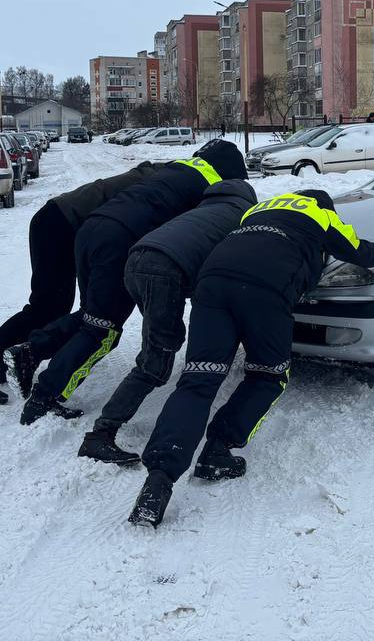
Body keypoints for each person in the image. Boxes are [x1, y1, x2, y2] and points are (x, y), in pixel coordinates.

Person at [127, 189, 374, 529]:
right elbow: (361, 252)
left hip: (212, 285)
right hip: (265, 291)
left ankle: (157, 482)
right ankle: (217, 450)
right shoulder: (321, 214)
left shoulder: (257, 211)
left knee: (198, 380)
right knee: (267, 375)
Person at [18, 140, 248, 424]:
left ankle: (33, 349)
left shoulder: (176, 168)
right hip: (120, 240)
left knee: (92, 316)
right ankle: (45, 395)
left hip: (91, 228)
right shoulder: (210, 188)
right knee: (103, 330)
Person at [0, 157, 169, 404]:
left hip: (58, 219)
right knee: (47, 307)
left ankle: (2, 360)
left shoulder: (155, 174)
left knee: (52, 307)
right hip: (61, 225)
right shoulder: (162, 185)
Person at [77, 177, 258, 464]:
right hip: (164, 270)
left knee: (162, 342)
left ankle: (103, 430)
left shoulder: (201, 209)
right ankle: (100, 435)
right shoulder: (241, 217)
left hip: (136, 260)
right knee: (155, 362)